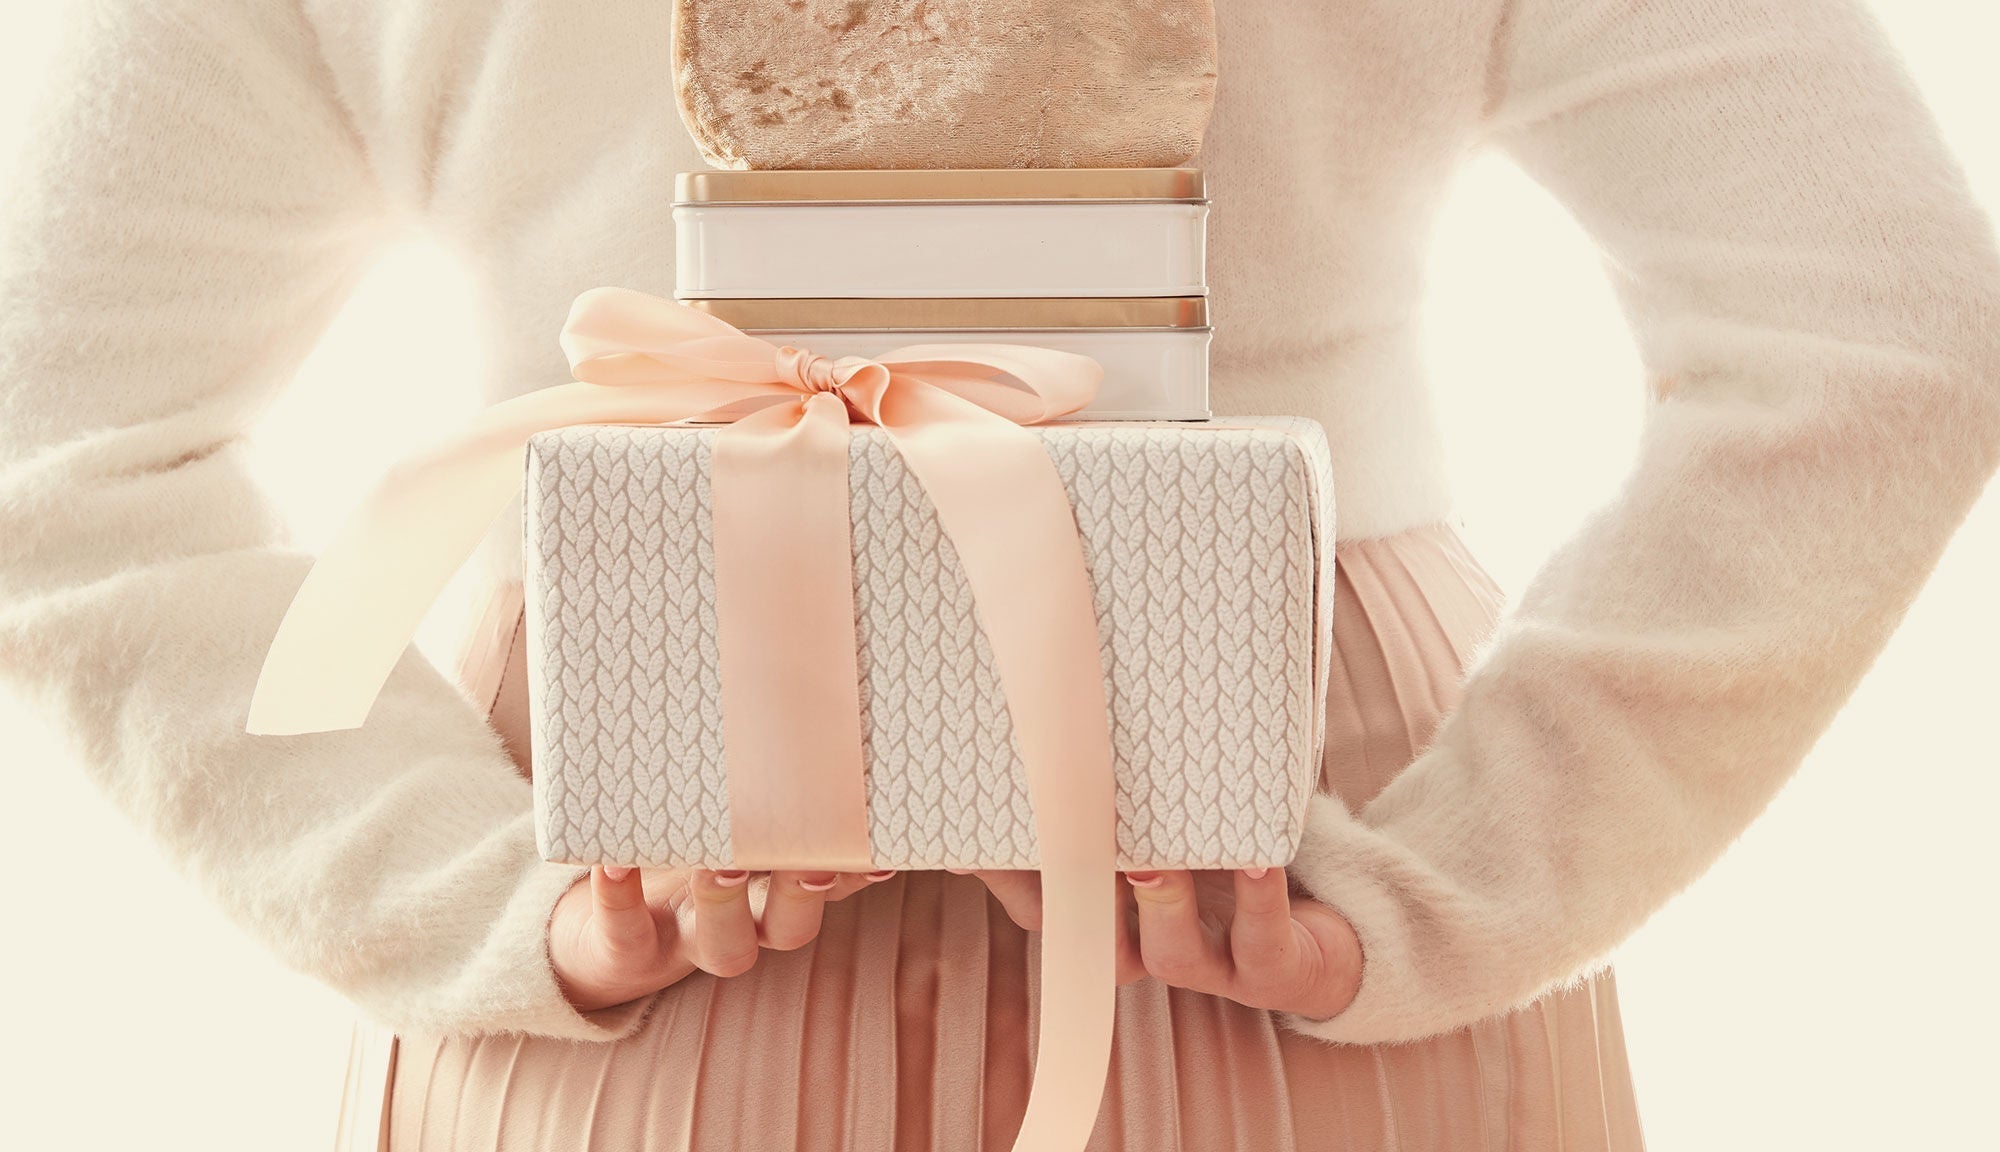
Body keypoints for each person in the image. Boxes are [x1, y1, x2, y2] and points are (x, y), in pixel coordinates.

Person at [3, 0, 1996, 1148]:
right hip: (1288, 855)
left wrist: (460, 893)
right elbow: (1882, 333)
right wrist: (1459, 882)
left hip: (641, 857)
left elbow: (53, 431)